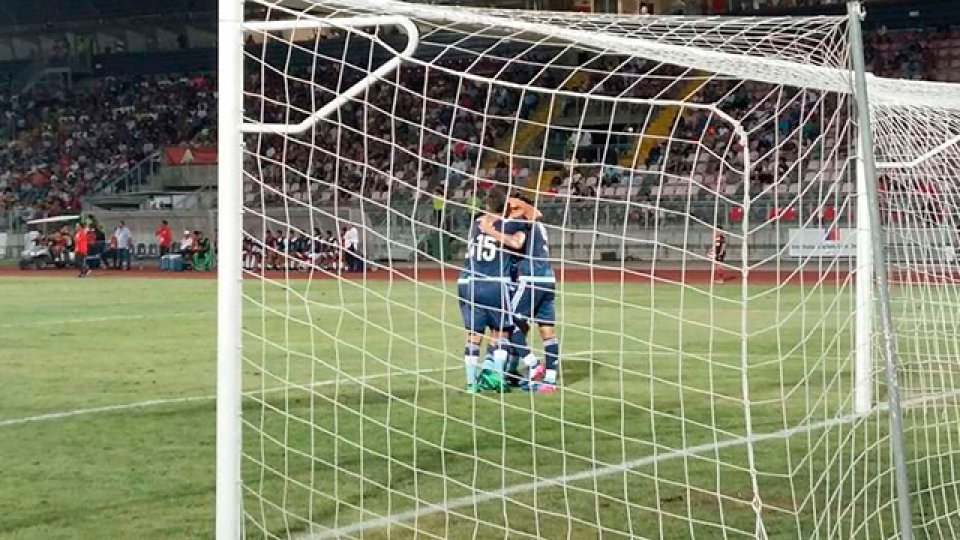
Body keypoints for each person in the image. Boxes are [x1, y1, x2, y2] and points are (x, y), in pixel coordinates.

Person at [482, 196, 559, 392]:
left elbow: (516, 242)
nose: (511, 212)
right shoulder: (539, 226)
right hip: (548, 279)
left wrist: (490, 229)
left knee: (506, 321)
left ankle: (532, 366)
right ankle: (549, 381)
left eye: (514, 208)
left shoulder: (524, 221)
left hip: (531, 278)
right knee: (546, 331)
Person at [457, 188, 526, 393]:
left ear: (486, 205)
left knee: (473, 336)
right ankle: (499, 379)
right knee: (500, 333)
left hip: (472, 283)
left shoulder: (476, 225)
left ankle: (471, 384)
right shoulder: (506, 226)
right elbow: (515, 241)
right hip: (496, 283)